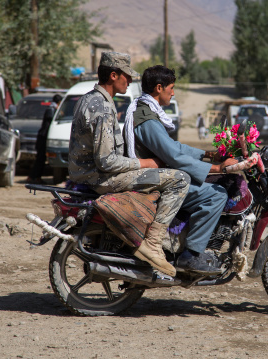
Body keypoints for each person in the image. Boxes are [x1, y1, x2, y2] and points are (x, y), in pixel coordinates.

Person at [68, 52, 190, 277]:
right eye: (127, 76)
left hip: (87, 173)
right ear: (113, 75)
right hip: (100, 177)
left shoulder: (90, 98)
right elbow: (106, 161)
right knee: (180, 179)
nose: (131, 81)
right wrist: (145, 163)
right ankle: (153, 243)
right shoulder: (102, 107)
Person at [124, 65, 238, 275]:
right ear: (159, 88)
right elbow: (173, 156)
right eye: (171, 88)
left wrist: (208, 154)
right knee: (216, 195)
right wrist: (216, 167)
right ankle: (191, 255)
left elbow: (174, 147)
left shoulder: (147, 112)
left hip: (158, 177)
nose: (173, 92)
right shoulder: (146, 119)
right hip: (153, 183)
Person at [27, 94, 62, 184]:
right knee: (40, 159)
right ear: (59, 102)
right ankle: (33, 177)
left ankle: (36, 177)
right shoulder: (51, 110)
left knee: (41, 159)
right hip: (43, 137)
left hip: (44, 137)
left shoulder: (52, 109)